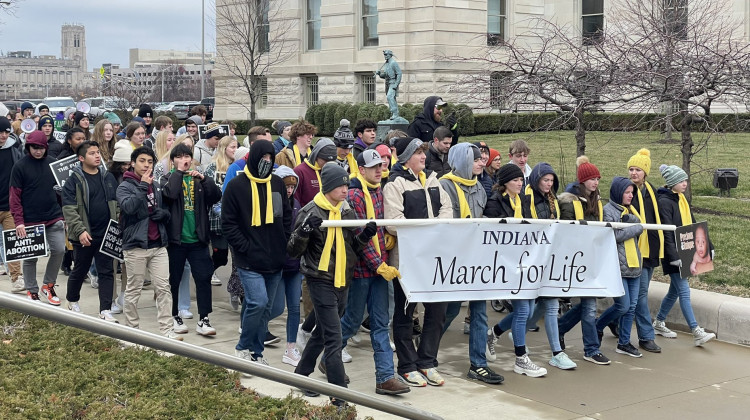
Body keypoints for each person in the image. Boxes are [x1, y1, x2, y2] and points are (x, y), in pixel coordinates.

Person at [288, 163, 376, 407]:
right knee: (334, 340)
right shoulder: (310, 211)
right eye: (340, 185)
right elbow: (293, 251)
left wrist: (365, 236)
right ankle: (339, 397)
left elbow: (352, 250)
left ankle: (302, 376)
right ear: (327, 187)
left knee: (322, 333)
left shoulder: (346, 211)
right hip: (319, 279)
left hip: (342, 280)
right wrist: (304, 231)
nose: (346, 189)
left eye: (347, 184)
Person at [338, 149, 411, 395]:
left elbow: (381, 227)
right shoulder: (355, 196)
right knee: (351, 321)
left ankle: (385, 377)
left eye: (380, 165)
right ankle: (329, 357)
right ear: (361, 170)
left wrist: (388, 240)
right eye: (373, 167)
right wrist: (378, 264)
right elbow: (360, 237)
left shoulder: (379, 191)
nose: (379, 170)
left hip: (381, 270)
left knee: (381, 323)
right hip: (362, 272)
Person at [383, 137, 452, 387]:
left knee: (437, 311)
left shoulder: (433, 179)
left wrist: (433, 228)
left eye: (424, 152)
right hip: (407, 260)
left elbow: (447, 209)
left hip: (434, 258)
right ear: (405, 158)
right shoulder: (395, 184)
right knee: (405, 313)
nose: (423, 156)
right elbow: (393, 221)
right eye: (418, 152)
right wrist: (427, 229)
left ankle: (427, 361)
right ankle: (407, 364)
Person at [439, 143, 504, 384]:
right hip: (454, 260)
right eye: (476, 159)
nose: (481, 162)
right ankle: (426, 350)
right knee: (450, 310)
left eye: (481, 159)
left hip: (476, 260)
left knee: (479, 313)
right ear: (463, 160)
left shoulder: (479, 188)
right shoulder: (444, 185)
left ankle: (478, 364)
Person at [222, 140, 292, 365]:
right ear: (253, 158)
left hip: (274, 257)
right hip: (248, 260)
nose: (267, 162)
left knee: (266, 309)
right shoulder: (237, 186)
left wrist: (284, 242)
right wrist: (245, 247)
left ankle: (257, 352)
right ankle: (242, 346)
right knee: (257, 302)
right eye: (263, 158)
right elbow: (229, 224)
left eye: (271, 158)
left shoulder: (277, 184)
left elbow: (287, 216)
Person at [484, 164, 548, 377]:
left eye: (522, 180)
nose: (520, 184)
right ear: (505, 183)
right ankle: (521, 359)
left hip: (526, 261)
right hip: (507, 264)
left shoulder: (524, 201)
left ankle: (493, 334)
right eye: (515, 180)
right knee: (522, 311)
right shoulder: (494, 203)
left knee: (528, 311)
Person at [116, 146, 179, 340]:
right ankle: (132, 330)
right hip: (136, 246)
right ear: (133, 163)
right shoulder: (125, 186)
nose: (146, 165)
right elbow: (128, 207)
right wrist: (143, 186)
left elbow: (162, 208)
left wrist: (165, 215)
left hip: (158, 245)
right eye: (142, 161)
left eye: (150, 162)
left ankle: (167, 329)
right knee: (133, 290)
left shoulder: (157, 184)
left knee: (163, 287)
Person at [160, 144, 222, 336]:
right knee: (174, 279)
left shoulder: (198, 180)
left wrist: (204, 180)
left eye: (187, 156)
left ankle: (204, 318)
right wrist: (179, 172)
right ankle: (174, 315)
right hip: (176, 240)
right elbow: (169, 194)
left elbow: (216, 196)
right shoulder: (166, 178)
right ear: (173, 161)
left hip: (198, 240)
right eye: (179, 156)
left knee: (203, 278)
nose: (184, 159)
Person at [653, 164, 716, 346]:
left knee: (674, 291)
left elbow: (695, 226)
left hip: (686, 251)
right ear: (672, 182)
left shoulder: (681, 199)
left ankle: (658, 322)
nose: (685, 183)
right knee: (684, 291)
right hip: (674, 255)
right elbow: (667, 232)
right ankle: (696, 331)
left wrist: (708, 246)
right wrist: (674, 256)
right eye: (681, 180)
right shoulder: (665, 202)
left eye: (686, 180)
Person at [556, 157, 611, 365]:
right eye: (591, 179)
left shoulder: (596, 201)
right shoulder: (569, 203)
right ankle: (591, 349)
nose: (595, 182)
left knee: (588, 305)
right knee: (589, 307)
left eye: (597, 178)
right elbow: (568, 232)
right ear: (582, 181)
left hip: (593, 258)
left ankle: (560, 328)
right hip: (578, 260)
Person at [61, 141, 119, 322]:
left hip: (105, 233)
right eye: (92, 153)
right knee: (80, 269)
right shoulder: (73, 181)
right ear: (81, 158)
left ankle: (105, 310)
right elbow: (69, 209)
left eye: (98, 152)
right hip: (85, 235)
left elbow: (115, 204)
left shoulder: (107, 177)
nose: (97, 156)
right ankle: (72, 301)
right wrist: (79, 231)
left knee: (106, 272)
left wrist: (115, 227)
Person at [614, 148, 664, 353]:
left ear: (645, 172)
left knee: (636, 296)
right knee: (640, 295)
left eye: (638, 169)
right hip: (635, 251)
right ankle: (646, 336)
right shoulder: (626, 191)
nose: (633, 173)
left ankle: (613, 322)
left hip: (651, 248)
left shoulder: (650, 190)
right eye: (631, 169)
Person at [9, 131, 66, 305]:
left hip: (53, 217)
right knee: (31, 257)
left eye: (41, 147)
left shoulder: (53, 164)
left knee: (60, 250)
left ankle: (48, 285)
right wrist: (19, 222)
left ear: (46, 147)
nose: (38, 151)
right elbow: (14, 197)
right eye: (34, 147)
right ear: (28, 147)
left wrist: (64, 215)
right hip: (30, 220)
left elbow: (62, 192)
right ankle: (32, 290)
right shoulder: (19, 166)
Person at [596, 176, 646, 358]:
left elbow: (633, 228)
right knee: (623, 306)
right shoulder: (608, 210)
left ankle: (624, 342)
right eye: (627, 192)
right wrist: (635, 227)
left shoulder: (630, 210)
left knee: (631, 307)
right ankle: (598, 325)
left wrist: (632, 222)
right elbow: (613, 235)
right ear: (618, 192)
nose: (631, 196)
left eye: (632, 192)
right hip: (618, 265)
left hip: (634, 264)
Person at [268, 165, 304, 366]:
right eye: (285, 186)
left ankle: (291, 348)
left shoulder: (297, 203)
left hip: (295, 265)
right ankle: (254, 329)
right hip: (277, 265)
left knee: (294, 309)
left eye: (292, 186)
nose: (289, 190)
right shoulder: (272, 202)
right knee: (275, 307)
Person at [203, 136, 238, 286]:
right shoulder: (213, 167)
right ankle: (207, 271)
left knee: (237, 256)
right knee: (221, 255)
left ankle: (236, 285)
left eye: (236, 147)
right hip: (218, 216)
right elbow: (210, 192)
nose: (235, 151)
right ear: (224, 149)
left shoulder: (237, 167)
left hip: (235, 218)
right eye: (232, 147)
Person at [0, 116, 25, 293]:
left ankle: (17, 278)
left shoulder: (15, 150)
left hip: (8, 207)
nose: (3, 135)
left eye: (6, 132)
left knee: (12, 243)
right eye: (0, 132)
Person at [293, 138, 338, 206]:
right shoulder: (300, 171)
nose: (328, 164)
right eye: (325, 160)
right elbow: (295, 202)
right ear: (316, 156)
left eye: (331, 161)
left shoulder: (334, 171)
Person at [375, 50, 403, 121]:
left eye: (386, 54)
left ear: (390, 55)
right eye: (384, 55)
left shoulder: (393, 63)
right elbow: (385, 75)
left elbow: (399, 73)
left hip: (393, 83)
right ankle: (394, 113)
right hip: (387, 83)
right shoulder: (387, 64)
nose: (385, 56)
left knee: (389, 97)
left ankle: (395, 113)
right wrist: (379, 74)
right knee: (392, 98)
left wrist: (396, 84)